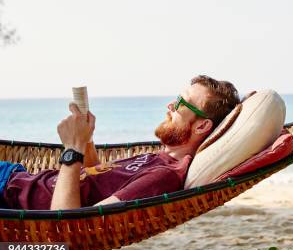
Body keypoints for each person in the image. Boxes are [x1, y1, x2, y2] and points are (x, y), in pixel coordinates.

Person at [0, 75, 240, 210]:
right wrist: (87, 140)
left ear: (201, 126)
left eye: (181, 103)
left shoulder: (163, 175)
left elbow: (70, 223)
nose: (170, 106)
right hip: (15, 175)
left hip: (7, 194)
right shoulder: (155, 158)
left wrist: (72, 150)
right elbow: (93, 178)